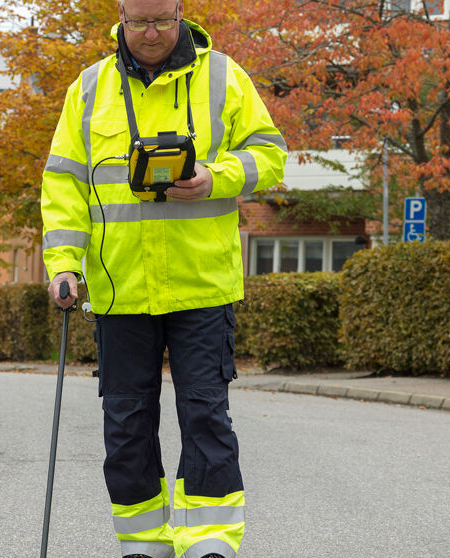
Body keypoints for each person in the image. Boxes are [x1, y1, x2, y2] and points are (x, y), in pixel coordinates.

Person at [41, 1, 287, 557]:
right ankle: (143, 548)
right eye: (138, 22)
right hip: (119, 288)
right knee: (126, 425)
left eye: (162, 21)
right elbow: (62, 189)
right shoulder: (88, 89)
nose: (150, 34)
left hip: (201, 286)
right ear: (121, 19)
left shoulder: (222, 75)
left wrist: (215, 176)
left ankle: (210, 547)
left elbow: (270, 155)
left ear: (180, 15)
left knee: (205, 415)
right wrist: (63, 267)